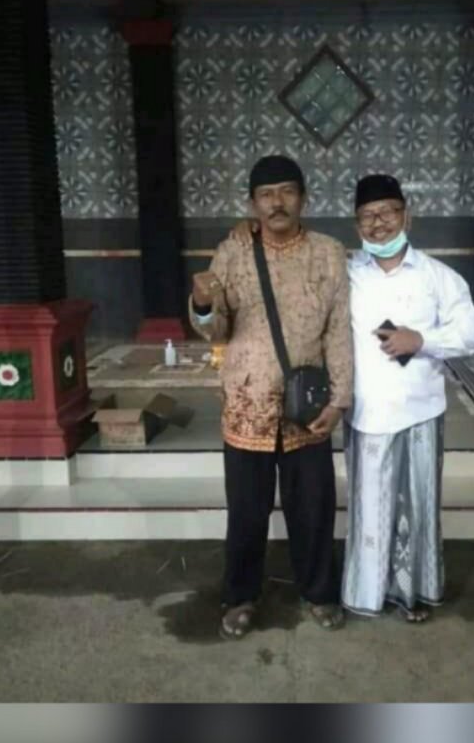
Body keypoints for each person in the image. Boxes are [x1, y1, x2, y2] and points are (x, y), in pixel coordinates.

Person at [189, 154, 353, 641]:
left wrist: (339, 400)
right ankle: (240, 596)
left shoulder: (328, 253)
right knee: (246, 512)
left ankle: (319, 592)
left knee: (314, 507)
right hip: (248, 402)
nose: (277, 203)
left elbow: (339, 331)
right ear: (252, 204)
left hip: (308, 404)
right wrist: (202, 303)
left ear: (304, 198)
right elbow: (214, 331)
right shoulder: (233, 251)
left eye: (286, 192)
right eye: (266, 195)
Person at [342, 173, 474, 623]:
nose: (378, 223)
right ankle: (368, 593)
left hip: (421, 410)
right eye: (368, 216)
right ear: (357, 225)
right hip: (367, 411)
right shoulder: (345, 275)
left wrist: (421, 340)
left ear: (408, 216)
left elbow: (473, 334)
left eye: (388, 212)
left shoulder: (438, 277)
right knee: (371, 510)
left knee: (419, 507)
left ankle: (415, 593)